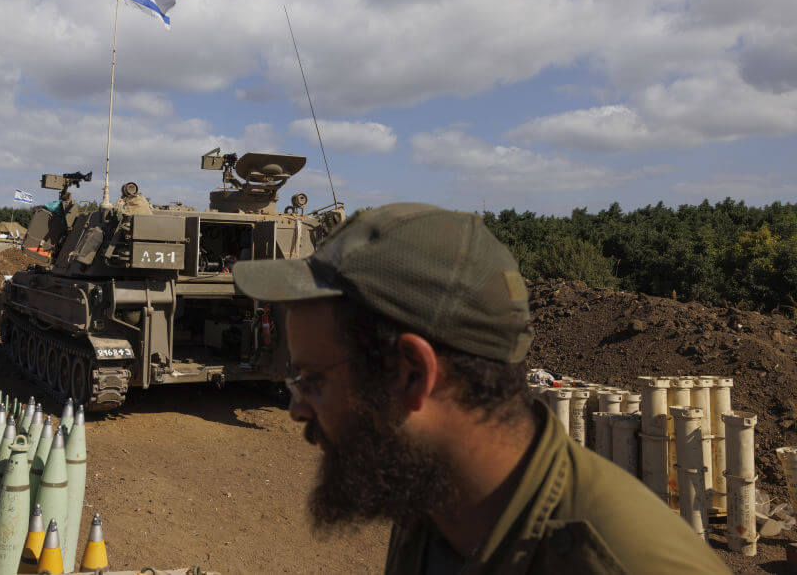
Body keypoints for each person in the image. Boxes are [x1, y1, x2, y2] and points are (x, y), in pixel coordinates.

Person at [233, 203, 729, 574]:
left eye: (313, 380)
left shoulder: (625, 562)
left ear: (411, 375)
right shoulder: (433, 492)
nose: (297, 408)